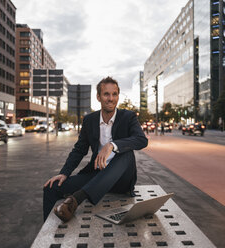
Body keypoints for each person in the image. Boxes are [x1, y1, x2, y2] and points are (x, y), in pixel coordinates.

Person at [43, 77, 148, 222]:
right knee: (51, 187)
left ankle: (75, 200)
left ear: (118, 96)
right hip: (96, 174)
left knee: (126, 153)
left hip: (121, 179)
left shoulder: (128, 117)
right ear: (98, 97)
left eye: (114, 94)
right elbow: (79, 149)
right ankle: (49, 236)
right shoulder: (90, 120)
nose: (111, 99)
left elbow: (141, 140)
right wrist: (64, 173)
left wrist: (112, 146)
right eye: (106, 94)